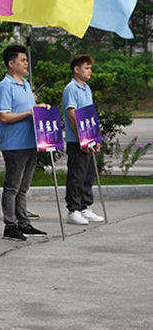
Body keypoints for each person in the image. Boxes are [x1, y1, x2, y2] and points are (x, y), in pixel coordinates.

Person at [0, 44, 49, 240]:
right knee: (12, 187)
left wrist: (41, 109)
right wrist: (29, 112)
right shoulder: (5, 86)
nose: (26, 63)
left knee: (23, 187)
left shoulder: (25, 84)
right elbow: (3, 116)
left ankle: (23, 222)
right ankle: (10, 225)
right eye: (23, 60)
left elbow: (31, 111)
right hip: (15, 145)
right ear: (11, 64)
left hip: (30, 142)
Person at [63, 55, 104, 225]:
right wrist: (82, 138)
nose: (90, 71)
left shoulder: (87, 88)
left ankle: (84, 207)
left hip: (89, 139)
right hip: (77, 140)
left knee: (88, 174)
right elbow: (72, 114)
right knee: (77, 175)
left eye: (90, 68)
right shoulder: (71, 88)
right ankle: (73, 210)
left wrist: (95, 137)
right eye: (86, 68)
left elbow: (90, 115)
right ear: (76, 69)